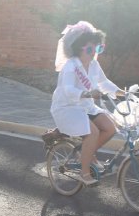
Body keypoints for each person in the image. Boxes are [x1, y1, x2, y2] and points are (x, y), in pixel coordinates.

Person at [50, 21, 124, 186]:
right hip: (67, 108)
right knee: (93, 133)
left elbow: (104, 83)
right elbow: (67, 90)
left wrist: (122, 92)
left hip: (85, 107)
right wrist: (88, 93)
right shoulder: (70, 66)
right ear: (78, 48)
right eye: (90, 49)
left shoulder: (94, 64)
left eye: (98, 49)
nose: (94, 53)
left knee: (111, 128)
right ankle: (84, 173)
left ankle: (86, 153)